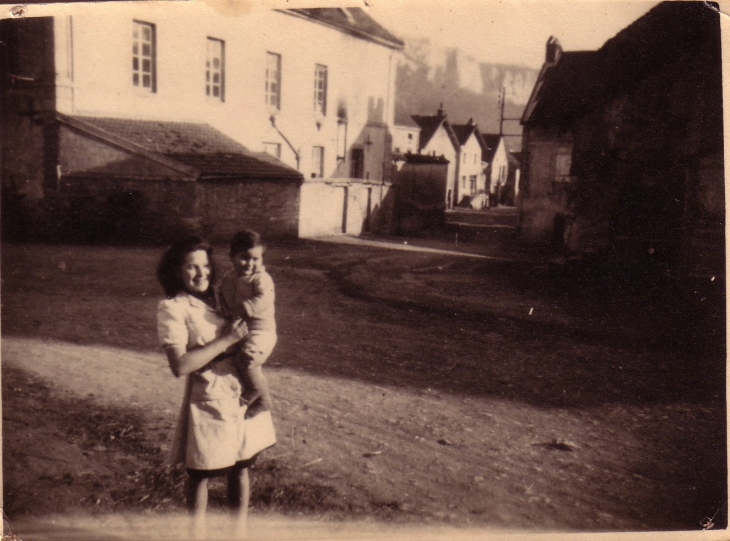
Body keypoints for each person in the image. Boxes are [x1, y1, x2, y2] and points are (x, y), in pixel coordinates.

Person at [156, 236, 276, 535]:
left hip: (240, 386)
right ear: (176, 271)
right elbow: (180, 365)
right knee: (201, 473)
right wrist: (226, 340)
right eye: (191, 267)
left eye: (206, 266)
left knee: (242, 466)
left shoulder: (223, 293)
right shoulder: (173, 308)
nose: (201, 274)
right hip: (209, 390)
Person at [218, 230, 277, 419]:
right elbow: (223, 297)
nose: (250, 264)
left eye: (256, 259)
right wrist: (224, 310)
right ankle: (264, 400)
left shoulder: (261, 278)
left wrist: (246, 307)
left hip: (261, 331)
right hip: (242, 330)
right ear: (232, 257)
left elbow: (266, 297)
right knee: (228, 357)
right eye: (244, 258)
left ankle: (254, 391)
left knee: (248, 358)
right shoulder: (229, 278)